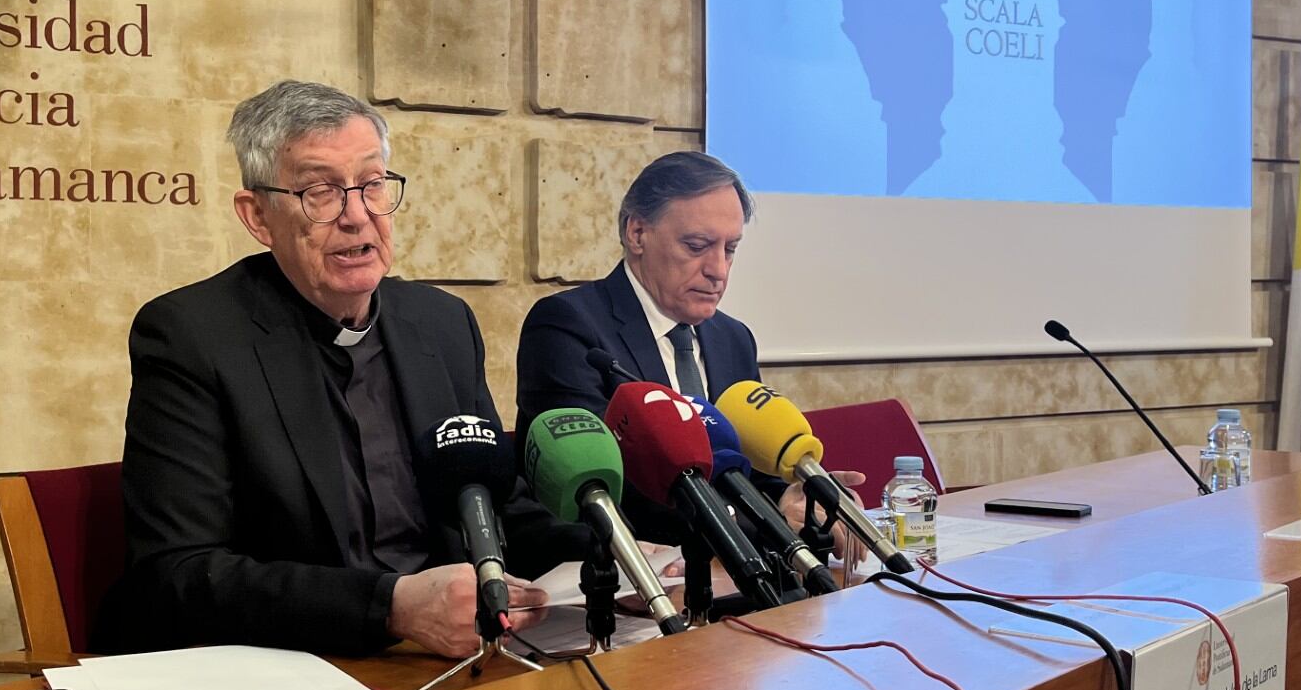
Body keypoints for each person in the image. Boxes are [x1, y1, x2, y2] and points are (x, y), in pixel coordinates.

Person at [96, 81, 586, 659]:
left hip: (457, 661)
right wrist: (392, 606)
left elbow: (499, 508)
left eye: (372, 185)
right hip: (300, 665)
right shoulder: (193, 336)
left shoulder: (441, 324)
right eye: (320, 192)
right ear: (258, 217)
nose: (357, 217)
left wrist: (617, 555)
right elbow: (177, 573)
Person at [516, 150, 863, 547]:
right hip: (627, 572)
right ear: (637, 233)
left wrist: (797, 498)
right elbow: (611, 485)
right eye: (697, 246)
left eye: (730, 249)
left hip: (730, 574)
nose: (718, 269)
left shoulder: (733, 339)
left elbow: (747, 469)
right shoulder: (568, 325)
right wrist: (768, 522)